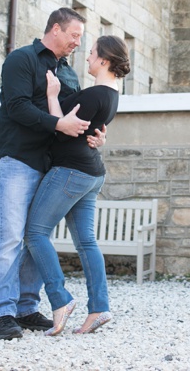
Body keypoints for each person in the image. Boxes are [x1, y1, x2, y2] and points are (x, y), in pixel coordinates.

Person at [0, 8, 106, 341]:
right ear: (55, 29)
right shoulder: (20, 60)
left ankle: (26, 308)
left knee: (38, 238)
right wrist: (57, 124)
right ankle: (1, 314)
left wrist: (96, 135)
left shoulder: (68, 74)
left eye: (81, 38)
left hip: (54, 166)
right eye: (75, 35)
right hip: (19, 159)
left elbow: (75, 117)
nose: (78, 43)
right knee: (9, 236)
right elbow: (17, 106)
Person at [24, 35, 130, 336]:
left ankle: (60, 300)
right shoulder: (111, 94)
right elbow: (89, 131)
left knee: (35, 232)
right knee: (86, 242)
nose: (87, 57)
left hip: (72, 171)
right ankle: (99, 308)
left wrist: (54, 94)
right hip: (92, 173)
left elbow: (62, 130)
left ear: (105, 60)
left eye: (93, 53)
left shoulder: (95, 94)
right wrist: (100, 139)